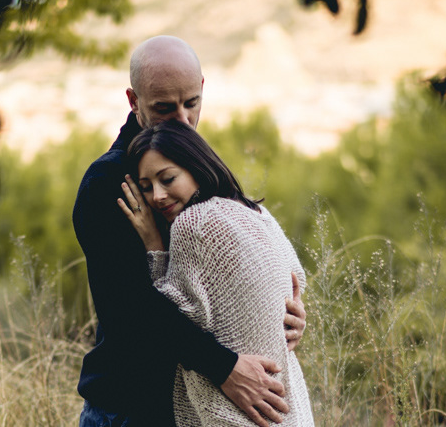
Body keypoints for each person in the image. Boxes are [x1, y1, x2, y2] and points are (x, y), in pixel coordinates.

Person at [73, 36, 307, 427]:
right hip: (131, 406)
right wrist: (225, 368)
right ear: (133, 102)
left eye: (191, 104)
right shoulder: (109, 183)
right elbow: (132, 306)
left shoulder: (190, 162)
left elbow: (239, 260)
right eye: (164, 108)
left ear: (202, 89)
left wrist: (285, 311)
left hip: (190, 406)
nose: (182, 120)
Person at [117, 119, 315, 426]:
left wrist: (155, 248)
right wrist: (295, 309)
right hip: (289, 408)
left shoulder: (192, 224)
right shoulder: (257, 214)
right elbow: (295, 278)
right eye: (146, 187)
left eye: (167, 179)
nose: (156, 196)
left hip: (236, 414)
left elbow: (175, 321)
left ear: (195, 166)